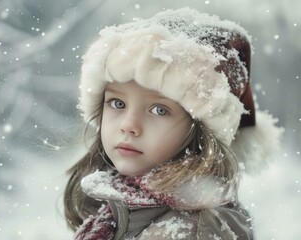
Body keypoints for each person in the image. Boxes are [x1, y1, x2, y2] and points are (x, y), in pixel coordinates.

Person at [64, 7, 283, 240]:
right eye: (118, 103)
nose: (129, 125)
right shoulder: (117, 209)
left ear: (200, 132)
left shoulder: (192, 231)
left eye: (159, 110)